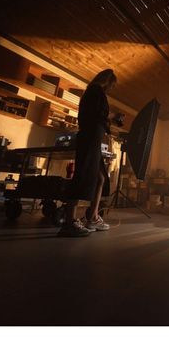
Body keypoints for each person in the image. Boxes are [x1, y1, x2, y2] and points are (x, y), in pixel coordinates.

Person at [58, 69, 117, 237]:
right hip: (90, 138)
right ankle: (69, 222)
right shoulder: (96, 91)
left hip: (93, 139)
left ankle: (92, 217)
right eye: (112, 85)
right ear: (107, 81)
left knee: (100, 178)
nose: (111, 89)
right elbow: (98, 116)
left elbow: (97, 116)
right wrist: (111, 118)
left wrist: (107, 122)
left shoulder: (93, 93)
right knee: (81, 176)